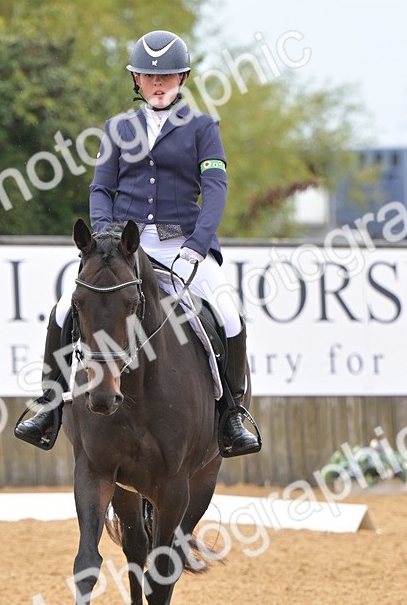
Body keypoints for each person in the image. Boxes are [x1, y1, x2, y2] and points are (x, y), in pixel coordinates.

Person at [14, 28, 261, 458]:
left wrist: (196, 249)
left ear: (182, 78)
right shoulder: (117, 128)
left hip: (179, 244)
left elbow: (215, 189)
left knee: (229, 313)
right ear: (137, 81)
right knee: (61, 311)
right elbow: (100, 189)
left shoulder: (203, 127)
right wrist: (103, 243)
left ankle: (232, 414)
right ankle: (48, 407)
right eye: (149, 76)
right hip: (122, 249)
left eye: (166, 76)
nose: (158, 83)